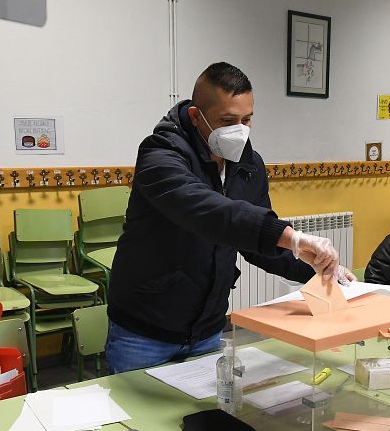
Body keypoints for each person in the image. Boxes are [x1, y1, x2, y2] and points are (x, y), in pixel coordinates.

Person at [106, 62, 352, 373]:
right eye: (227, 120)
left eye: (247, 119)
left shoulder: (248, 165)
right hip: (144, 332)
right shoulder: (160, 155)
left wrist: (321, 270)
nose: (240, 130)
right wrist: (293, 236)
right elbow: (210, 213)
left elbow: (254, 241)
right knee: (139, 420)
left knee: (206, 419)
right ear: (196, 116)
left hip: (208, 329)